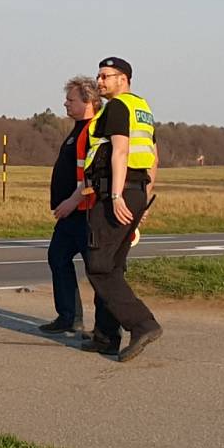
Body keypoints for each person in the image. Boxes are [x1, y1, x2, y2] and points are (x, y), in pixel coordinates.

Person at [82, 57, 161, 362]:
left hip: (117, 192)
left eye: (106, 76)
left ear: (123, 79)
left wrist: (116, 196)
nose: (100, 81)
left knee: (99, 266)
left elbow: (121, 150)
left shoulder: (117, 107)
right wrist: (144, 196)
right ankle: (106, 337)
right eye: (98, 75)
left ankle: (143, 324)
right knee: (114, 266)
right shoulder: (142, 108)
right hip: (137, 190)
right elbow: (152, 158)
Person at [39, 77, 101, 334]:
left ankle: (107, 328)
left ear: (88, 101)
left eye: (71, 99)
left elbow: (94, 175)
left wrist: (72, 202)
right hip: (70, 214)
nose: (65, 103)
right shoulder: (77, 128)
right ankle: (69, 317)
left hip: (86, 212)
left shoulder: (94, 131)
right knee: (58, 257)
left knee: (98, 271)